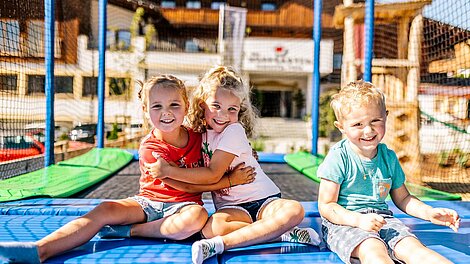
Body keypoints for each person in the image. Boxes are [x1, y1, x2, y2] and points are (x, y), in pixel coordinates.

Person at [0, 74, 254, 263]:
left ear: (186, 107)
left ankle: (128, 231)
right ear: (145, 111)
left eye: (174, 105)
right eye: (157, 106)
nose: (166, 113)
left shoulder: (199, 137)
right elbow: (188, 184)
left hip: (183, 208)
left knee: (196, 218)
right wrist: (230, 181)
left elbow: (221, 151)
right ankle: (41, 249)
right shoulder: (151, 148)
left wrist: (245, 153)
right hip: (148, 203)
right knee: (105, 209)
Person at [148, 66, 321, 264]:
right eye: (216, 106)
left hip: (263, 199)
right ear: (202, 104)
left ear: (240, 110)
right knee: (210, 228)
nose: (223, 114)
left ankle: (220, 244)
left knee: (294, 210)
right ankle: (279, 233)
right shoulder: (199, 135)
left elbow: (213, 174)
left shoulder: (234, 130)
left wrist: (170, 171)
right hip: (232, 207)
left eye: (232, 109)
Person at [317, 80, 461, 264]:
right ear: (341, 127)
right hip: (345, 222)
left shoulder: (389, 157)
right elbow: (327, 205)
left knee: (414, 249)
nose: (368, 130)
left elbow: (403, 198)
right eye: (358, 124)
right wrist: (358, 220)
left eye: (375, 121)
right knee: (373, 250)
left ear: (385, 117)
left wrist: (428, 212)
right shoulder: (339, 157)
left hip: (383, 219)